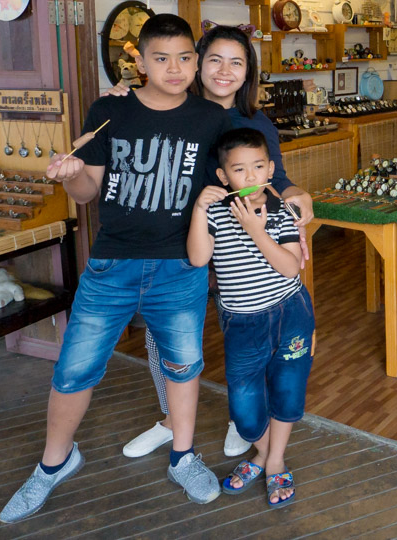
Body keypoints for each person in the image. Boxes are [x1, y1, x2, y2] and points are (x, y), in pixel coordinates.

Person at [0, 14, 235, 523]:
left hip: (179, 266)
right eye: (161, 58)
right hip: (112, 264)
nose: (175, 69)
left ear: (195, 60)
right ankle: (53, 463)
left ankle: (183, 455)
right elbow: (88, 192)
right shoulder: (110, 111)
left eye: (185, 58)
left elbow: (243, 166)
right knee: (74, 369)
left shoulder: (210, 118)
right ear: (140, 61)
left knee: (183, 365)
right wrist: (71, 175)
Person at [114, 25, 315, 461]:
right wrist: (123, 100)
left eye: (236, 62)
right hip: (174, 239)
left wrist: (297, 191)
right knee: (164, 333)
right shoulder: (171, 108)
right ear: (197, 63)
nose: (225, 71)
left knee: (243, 327)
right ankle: (171, 420)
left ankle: (242, 419)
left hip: (238, 243)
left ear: (248, 71)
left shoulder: (256, 122)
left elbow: (275, 177)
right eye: (215, 60)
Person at [189, 127, 312, 508]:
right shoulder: (214, 213)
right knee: (244, 405)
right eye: (239, 169)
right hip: (242, 322)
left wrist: (257, 232)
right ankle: (262, 450)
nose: (250, 176)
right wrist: (198, 209)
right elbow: (198, 258)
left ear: (271, 169)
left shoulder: (281, 211)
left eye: (258, 166)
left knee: (288, 389)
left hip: (290, 313)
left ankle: (272, 460)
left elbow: (290, 268)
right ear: (223, 176)